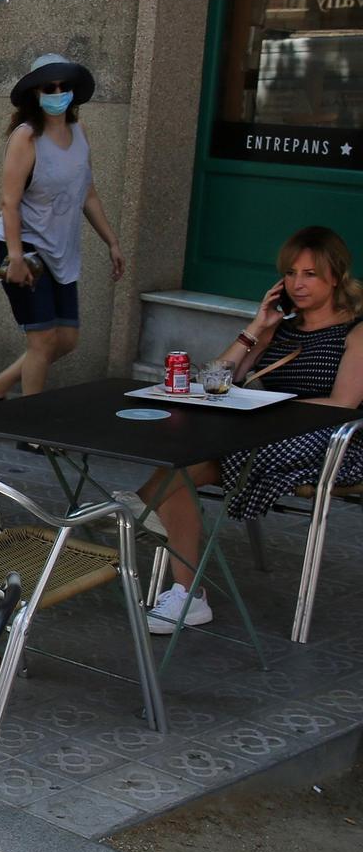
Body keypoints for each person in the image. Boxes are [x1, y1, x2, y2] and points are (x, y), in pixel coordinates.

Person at [129, 226, 363, 633]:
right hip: (263, 431)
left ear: (336, 277)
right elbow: (214, 380)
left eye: (310, 274)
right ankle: (188, 593)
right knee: (184, 460)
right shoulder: (281, 327)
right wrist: (256, 327)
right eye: (290, 274)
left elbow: (343, 404)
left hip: (330, 439)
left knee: (194, 458)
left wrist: (273, 407)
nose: (297, 284)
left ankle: (141, 507)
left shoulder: (356, 331)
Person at [0, 54, 126, 404]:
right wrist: (15, 258)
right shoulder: (26, 137)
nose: (58, 93)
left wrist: (112, 242)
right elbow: (9, 202)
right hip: (24, 246)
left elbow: (87, 192)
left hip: (63, 249)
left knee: (67, 339)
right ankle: (30, 427)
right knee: (41, 339)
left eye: (64, 86)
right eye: (49, 87)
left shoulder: (79, 132)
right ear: (35, 93)